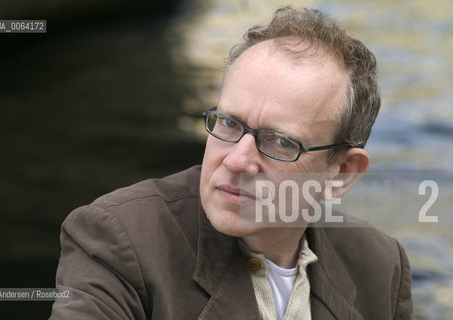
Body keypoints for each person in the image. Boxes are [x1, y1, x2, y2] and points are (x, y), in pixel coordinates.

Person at [50, 6, 413, 320]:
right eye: (229, 123)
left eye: (281, 142)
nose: (238, 160)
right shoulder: (120, 239)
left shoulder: (381, 266)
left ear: (342, 173)